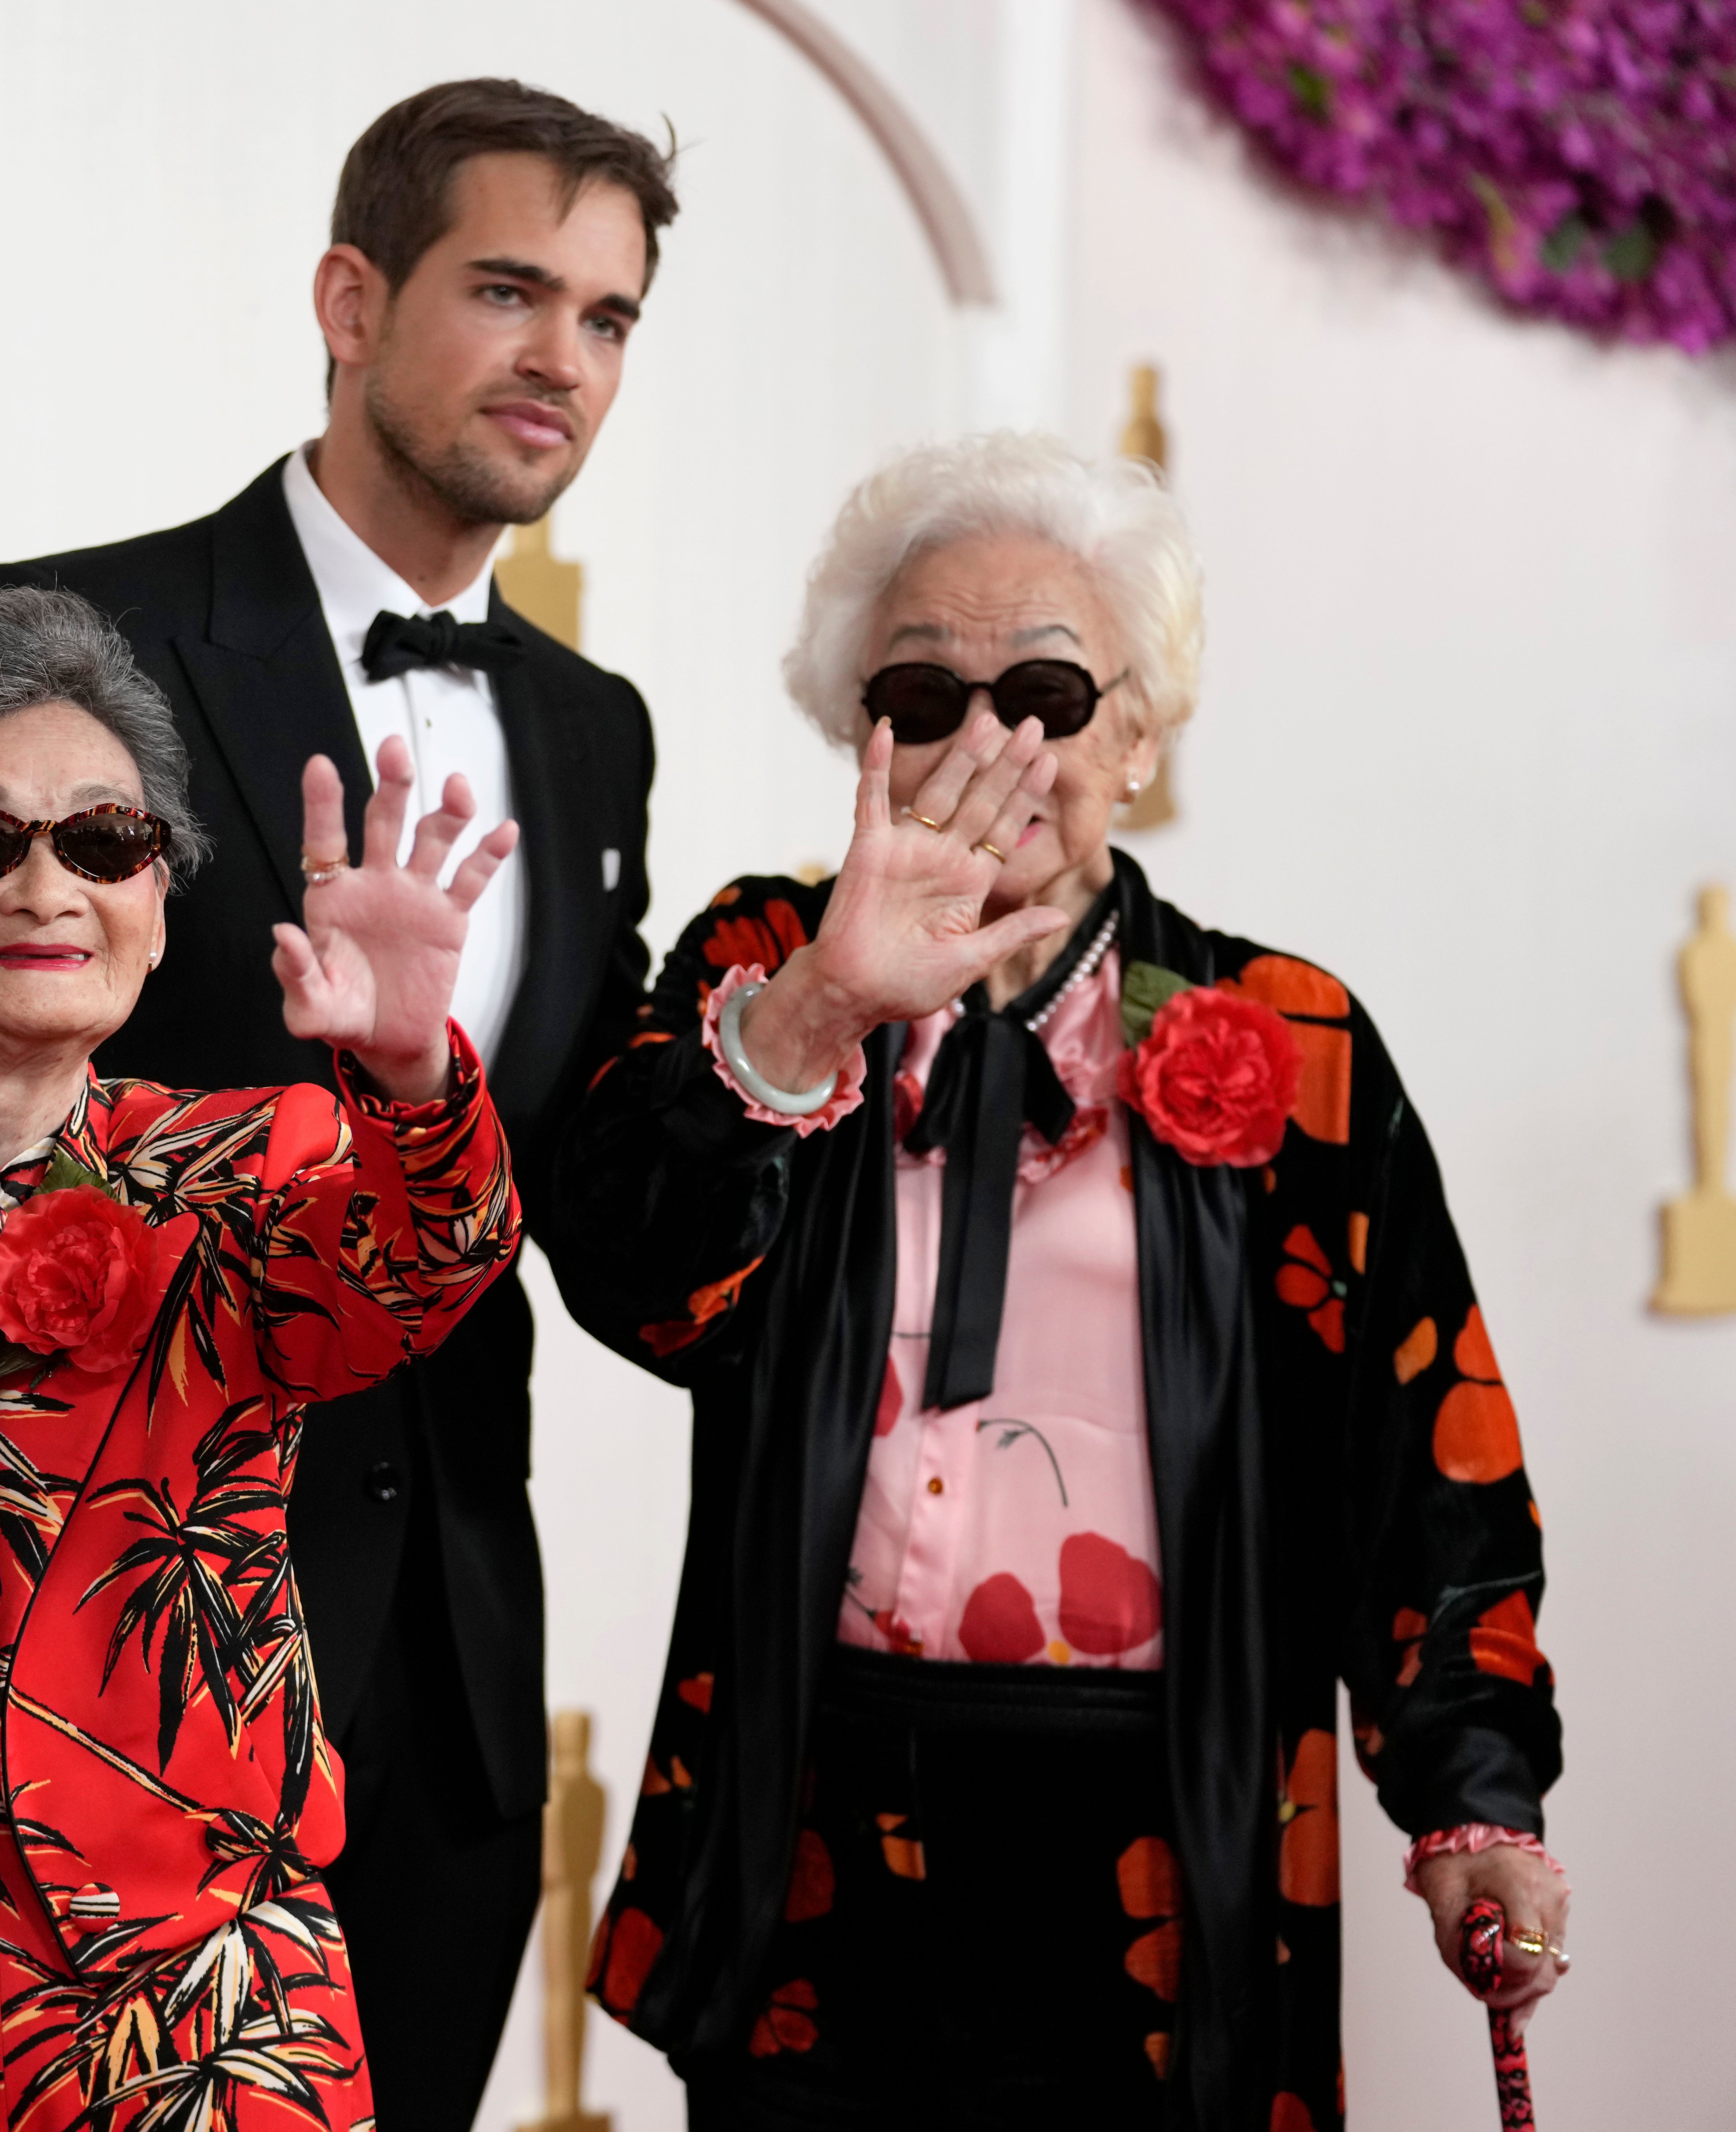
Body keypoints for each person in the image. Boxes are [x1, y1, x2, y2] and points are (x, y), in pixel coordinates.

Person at [0, 81, 675, 2122]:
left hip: (446, 1696)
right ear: (351, 298)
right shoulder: (63, 630)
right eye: (511, 289)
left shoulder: (591, 728)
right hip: (83, 1668)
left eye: (614, 319)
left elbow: (582, 1203)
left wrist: (808, 1016)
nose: (564, 357)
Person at [560, 434, 1564, 2129]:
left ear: (1143, 732)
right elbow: (635, 1282)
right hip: (820, 1789)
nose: (988, 744)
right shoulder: (759, 962)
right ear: (857, 729)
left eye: (1045, 689)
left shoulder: (1287, 1035)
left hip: (1162, 1816)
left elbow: (1427, 1458)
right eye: (922, 694)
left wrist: (1476, 1798)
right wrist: (820, 1010)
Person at [0, 587, 523, 2128]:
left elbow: (425, 1262)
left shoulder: (263, 1167)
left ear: (156, 897)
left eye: (104, 841)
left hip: (206, 2017)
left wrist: (405, 1073)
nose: (47, 883)